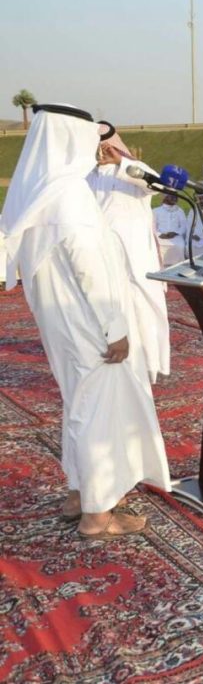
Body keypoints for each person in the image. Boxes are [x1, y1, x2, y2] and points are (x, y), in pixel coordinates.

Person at [0, 103, 170, 539]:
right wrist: (116, 329)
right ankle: (97, 514)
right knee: (99, 413)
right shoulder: (71, 196)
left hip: (62, 324)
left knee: (79, 405)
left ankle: (78, 494)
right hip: (90, 326)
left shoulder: (39, 193)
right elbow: (91, 270)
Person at [86, 123, 169, 383]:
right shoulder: (87, 176)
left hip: (137, 257)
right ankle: (120, 369)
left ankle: (151, 367)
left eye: (107, 146)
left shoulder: (134, 169)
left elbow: (160, 185)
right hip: (103, 256)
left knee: (144, 311)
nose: (102, 151)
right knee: (110, 310)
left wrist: (121, 161)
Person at [153, 193, 189, 266]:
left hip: (176, 236)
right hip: (160, 236)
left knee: (180, 246)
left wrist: (176, 233)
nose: (174, 198)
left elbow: (184, 225)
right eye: (172, 196)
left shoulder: (180, 211)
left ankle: (178, 267)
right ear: (165, 197)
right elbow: (152, 226)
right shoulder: (156, 210)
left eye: (176, 197)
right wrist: (159, 234)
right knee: (156, 248)